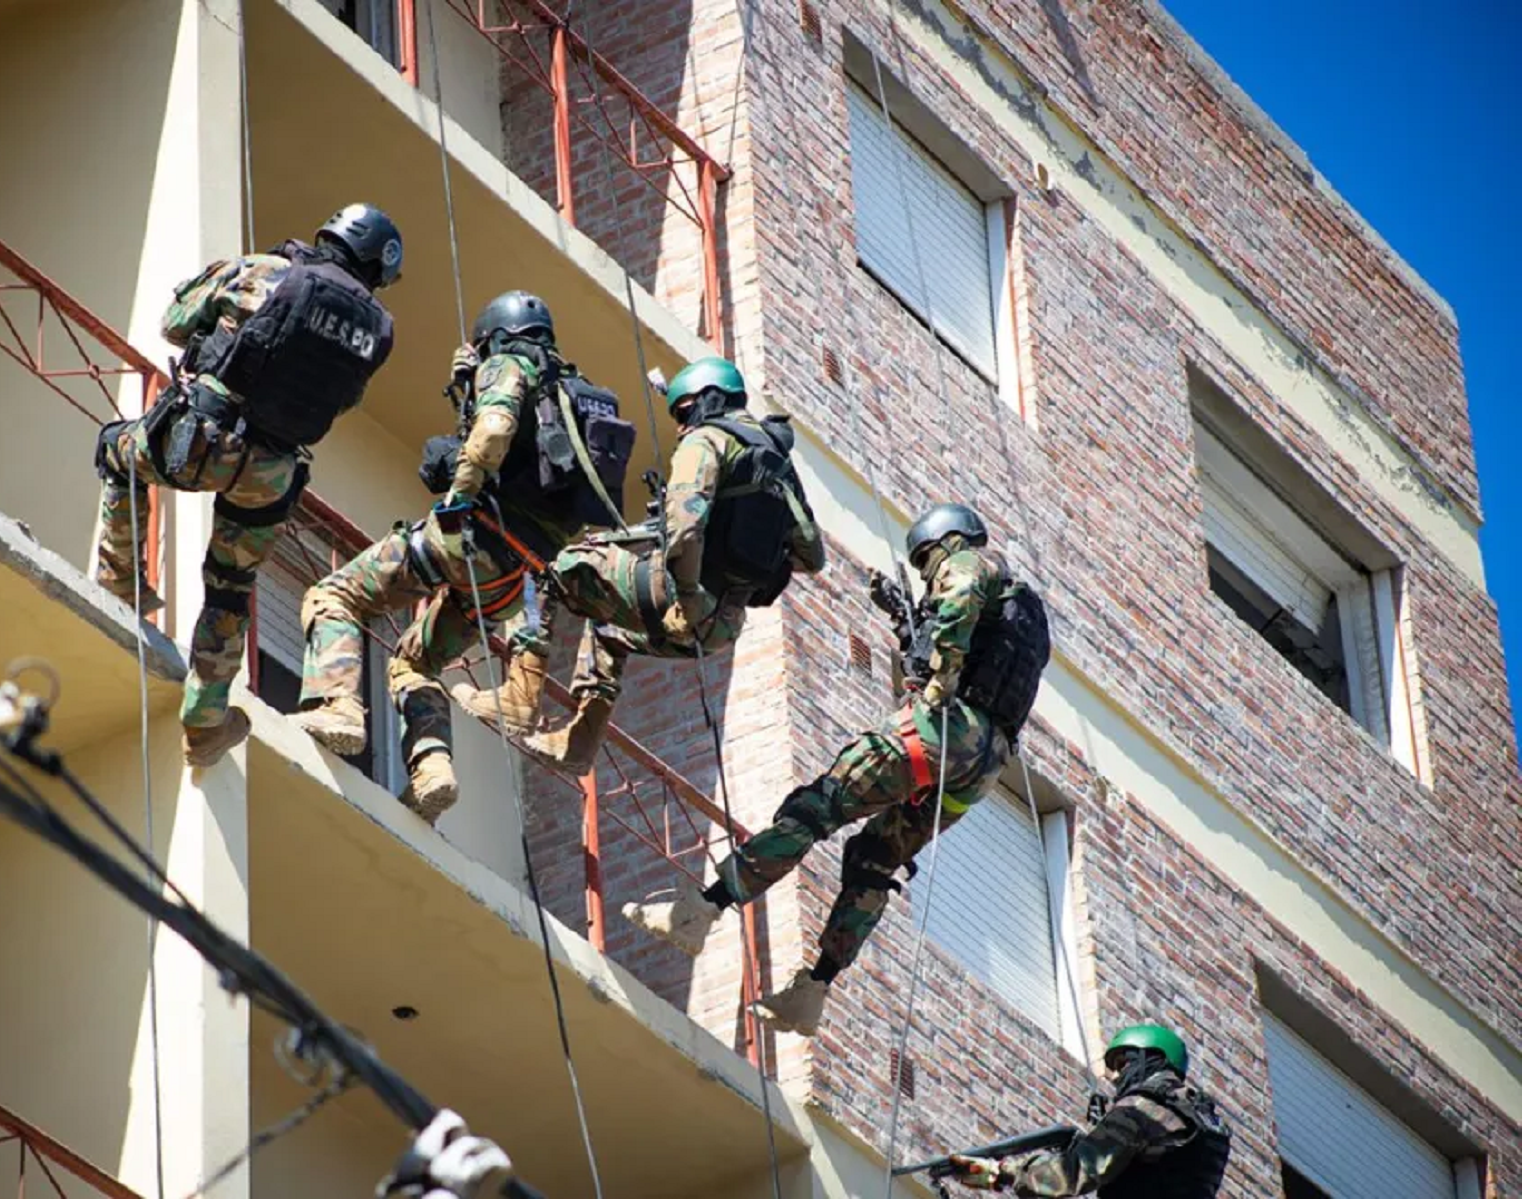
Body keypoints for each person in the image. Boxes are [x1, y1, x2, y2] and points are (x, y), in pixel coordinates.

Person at [622, 502, 1052, 1035]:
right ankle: (814, 990)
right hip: (983, 767)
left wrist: (935, 684)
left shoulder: (968, 565)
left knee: (818, 806)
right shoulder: (1025, 608)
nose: (927, 574)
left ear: (946, 541)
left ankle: (702, 910)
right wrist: (912, 636)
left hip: (947, 733)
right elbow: (981, 652)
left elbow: (956, 607)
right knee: (872, 859)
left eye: (925, 562)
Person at [295, 291, 633, 822]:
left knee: (334, 596)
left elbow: (496, 428)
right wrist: (465, 390)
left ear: (497, 335)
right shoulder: (584, 398)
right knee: (413, 661)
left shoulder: (509, 366)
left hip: (469, 538)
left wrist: (460, 494)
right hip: (519, 576)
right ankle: (432, 770)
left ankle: (337, 704)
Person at [91, 204, 401, 767]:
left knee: (117, 450)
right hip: (271, 474)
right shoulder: (378, 330)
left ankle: (119, 584)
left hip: (201, 439)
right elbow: (345, 400)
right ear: (377, 266)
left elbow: (175, 322)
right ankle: (206, 721)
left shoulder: (266, 271)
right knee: (231, 588)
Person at [450, 356, 825, 773]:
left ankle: (521, 696)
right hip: (721, 627)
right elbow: (812, 557)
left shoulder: (707, 441)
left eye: (684, 412)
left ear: (710, 400)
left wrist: (687, 597)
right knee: (609, 625)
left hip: (682, 602)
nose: (682, 426)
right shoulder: (779, 467)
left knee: (549, 568)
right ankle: (579, 745)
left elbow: (684, 530)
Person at [950, 1024, 1232, 1196]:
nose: (1116, 1076)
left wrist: (1001, 1173)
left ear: (1151, 1060)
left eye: (1124, 1064)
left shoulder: (1145, 1107)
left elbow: (1076, 1172)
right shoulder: (1199, 1116)